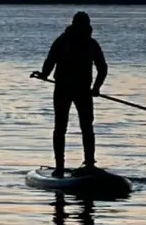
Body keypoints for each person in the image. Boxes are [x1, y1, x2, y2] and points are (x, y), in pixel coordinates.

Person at [31, 11, 108, 177]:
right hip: (65, 89)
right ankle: (62, 166)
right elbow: (50, 61)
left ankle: (87, 164)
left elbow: (102, 68)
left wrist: (96, 88)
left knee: (82, 127)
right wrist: (44, 74)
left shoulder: (88, 43)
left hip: (80, 90)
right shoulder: (67, 42)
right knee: (66, 127)